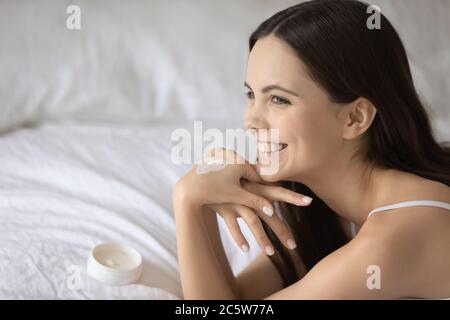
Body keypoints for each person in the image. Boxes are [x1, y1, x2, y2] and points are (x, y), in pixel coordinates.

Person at [173, 0, 450, 299]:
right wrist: (196, 202)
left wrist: (185, 198)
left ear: (354, 118)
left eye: (279, 99)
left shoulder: (393, 237)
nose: (250, 119)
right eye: (251, 94)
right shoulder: (331, 212)